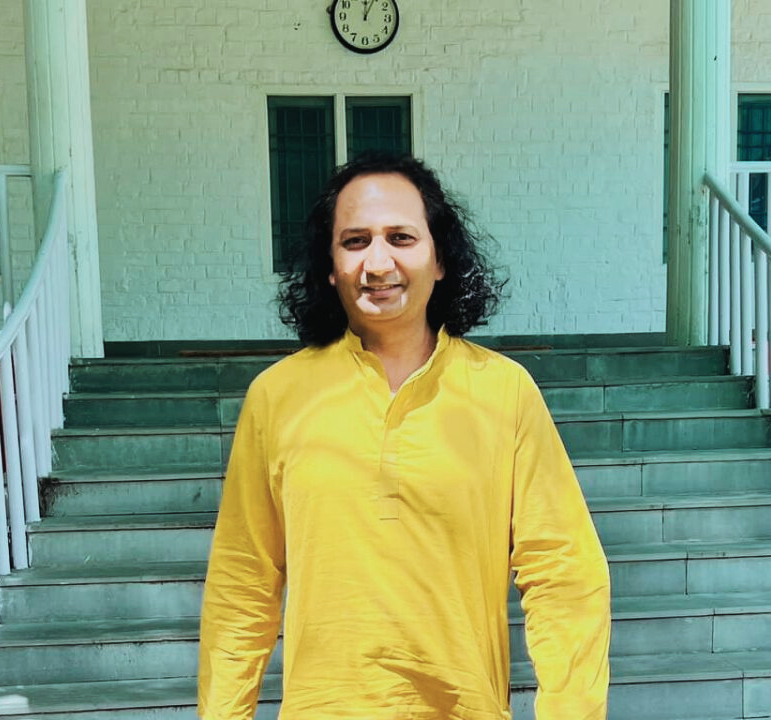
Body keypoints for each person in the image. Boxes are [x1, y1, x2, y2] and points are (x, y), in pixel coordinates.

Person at [198, 153, 610, 719]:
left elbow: (564, 573)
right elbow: (243, 583)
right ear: (329, 265)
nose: (378, 261)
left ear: (440, 258)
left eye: (401, 237)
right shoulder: (277, 398)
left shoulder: (503, 391)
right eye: (355, 241)